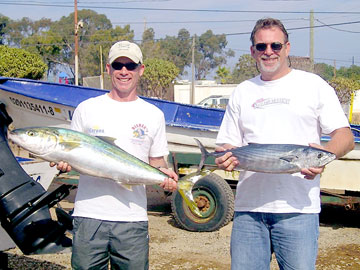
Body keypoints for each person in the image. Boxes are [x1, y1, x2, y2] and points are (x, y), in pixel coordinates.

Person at [215, 18, 354, 270]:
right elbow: (227, 144)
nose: (269, 52)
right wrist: (224, 158)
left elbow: (345, 136)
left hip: (299, 211)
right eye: (261, 46)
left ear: (287, 48)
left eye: (275, 45)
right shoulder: (242, 91)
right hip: (249, 212)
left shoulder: (313, 85)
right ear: (252, 52)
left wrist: (325, 153)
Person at [51, 40, 178, 269]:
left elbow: (157, 164)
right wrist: (62, 161)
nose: (124, 71)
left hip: (132, 219)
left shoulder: (153, 115)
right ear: (108, 69)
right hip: (89, 216)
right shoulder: (87, 109)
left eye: (130, 65)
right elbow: (70, 154)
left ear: (141, 69)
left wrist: (166, 179)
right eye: (118, 65)